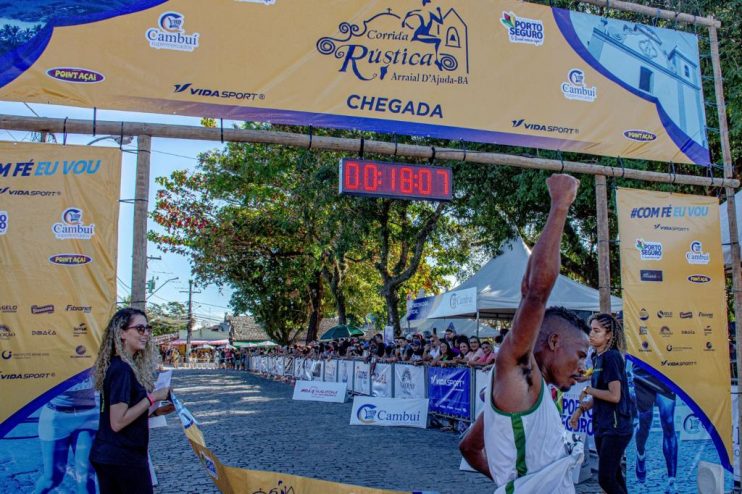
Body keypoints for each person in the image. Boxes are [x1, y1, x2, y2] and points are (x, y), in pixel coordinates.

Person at [459, 174, 589, 494]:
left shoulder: (525, 393)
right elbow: (535, 294)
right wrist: (560, 204)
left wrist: (516, 485)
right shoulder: (518, 377)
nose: (582, 366)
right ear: (555, 342)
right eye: (581, 354)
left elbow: (469, 447)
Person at [89, 308, 172, 494]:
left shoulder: (124, 366)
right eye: (140, 329)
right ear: (122, 333)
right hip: (122, 458)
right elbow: (118, 422)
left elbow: (128, 413)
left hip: (116, 456)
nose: (146, 334)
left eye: (148, 329)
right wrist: (153, 397)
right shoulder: (122, 369)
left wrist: (156, 411)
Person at [569, 313, 633, 494]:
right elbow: (599, 395)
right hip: (602, 425)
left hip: (616, 427)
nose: (591, 334)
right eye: (591, 330)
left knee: (605, 479)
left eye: (597, 331)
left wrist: (588, 390)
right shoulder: (598, 358)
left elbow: (614, 396)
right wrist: (580, 410)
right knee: (615, 476)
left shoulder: (612, 357)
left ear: (609, 335)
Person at [34, 373, 98, 494]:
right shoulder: (53, 355)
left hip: (87, 418)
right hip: (56, 418)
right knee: (52, 479)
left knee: (86, 479)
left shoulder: (96, 354)